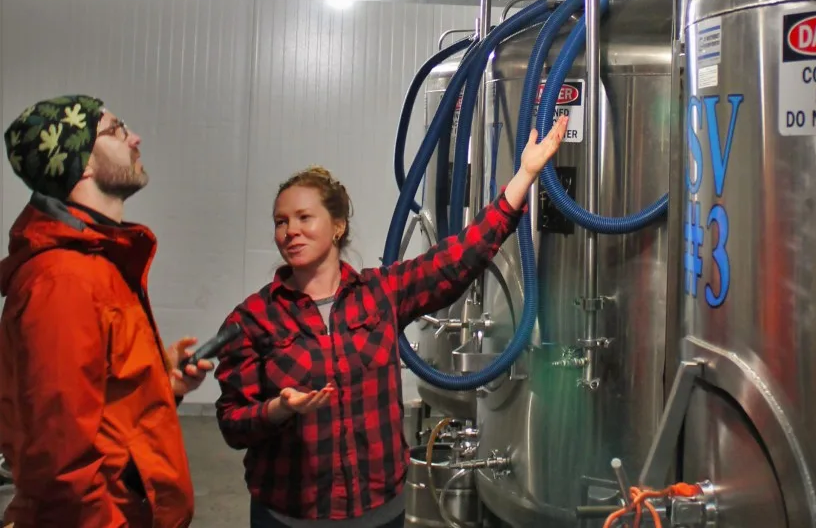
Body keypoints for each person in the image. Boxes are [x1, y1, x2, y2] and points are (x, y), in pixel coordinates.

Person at [215, 113, 570, 527]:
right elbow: (232, 423)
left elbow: (456, 259)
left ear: (337, 226)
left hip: (379, 512)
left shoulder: (380, 293)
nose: (290, 231)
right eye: (281, 222)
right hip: (290, 516)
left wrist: (524, 177)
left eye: (303, 218)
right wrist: (277, 409)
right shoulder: (254, 318)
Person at [0, 94, 214, 528]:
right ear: (80, 162)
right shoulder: (64, 280)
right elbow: (60, 466)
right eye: (116, 130)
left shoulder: (95, 263)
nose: (135, 137)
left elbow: (100, 404)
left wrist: (158, 381)